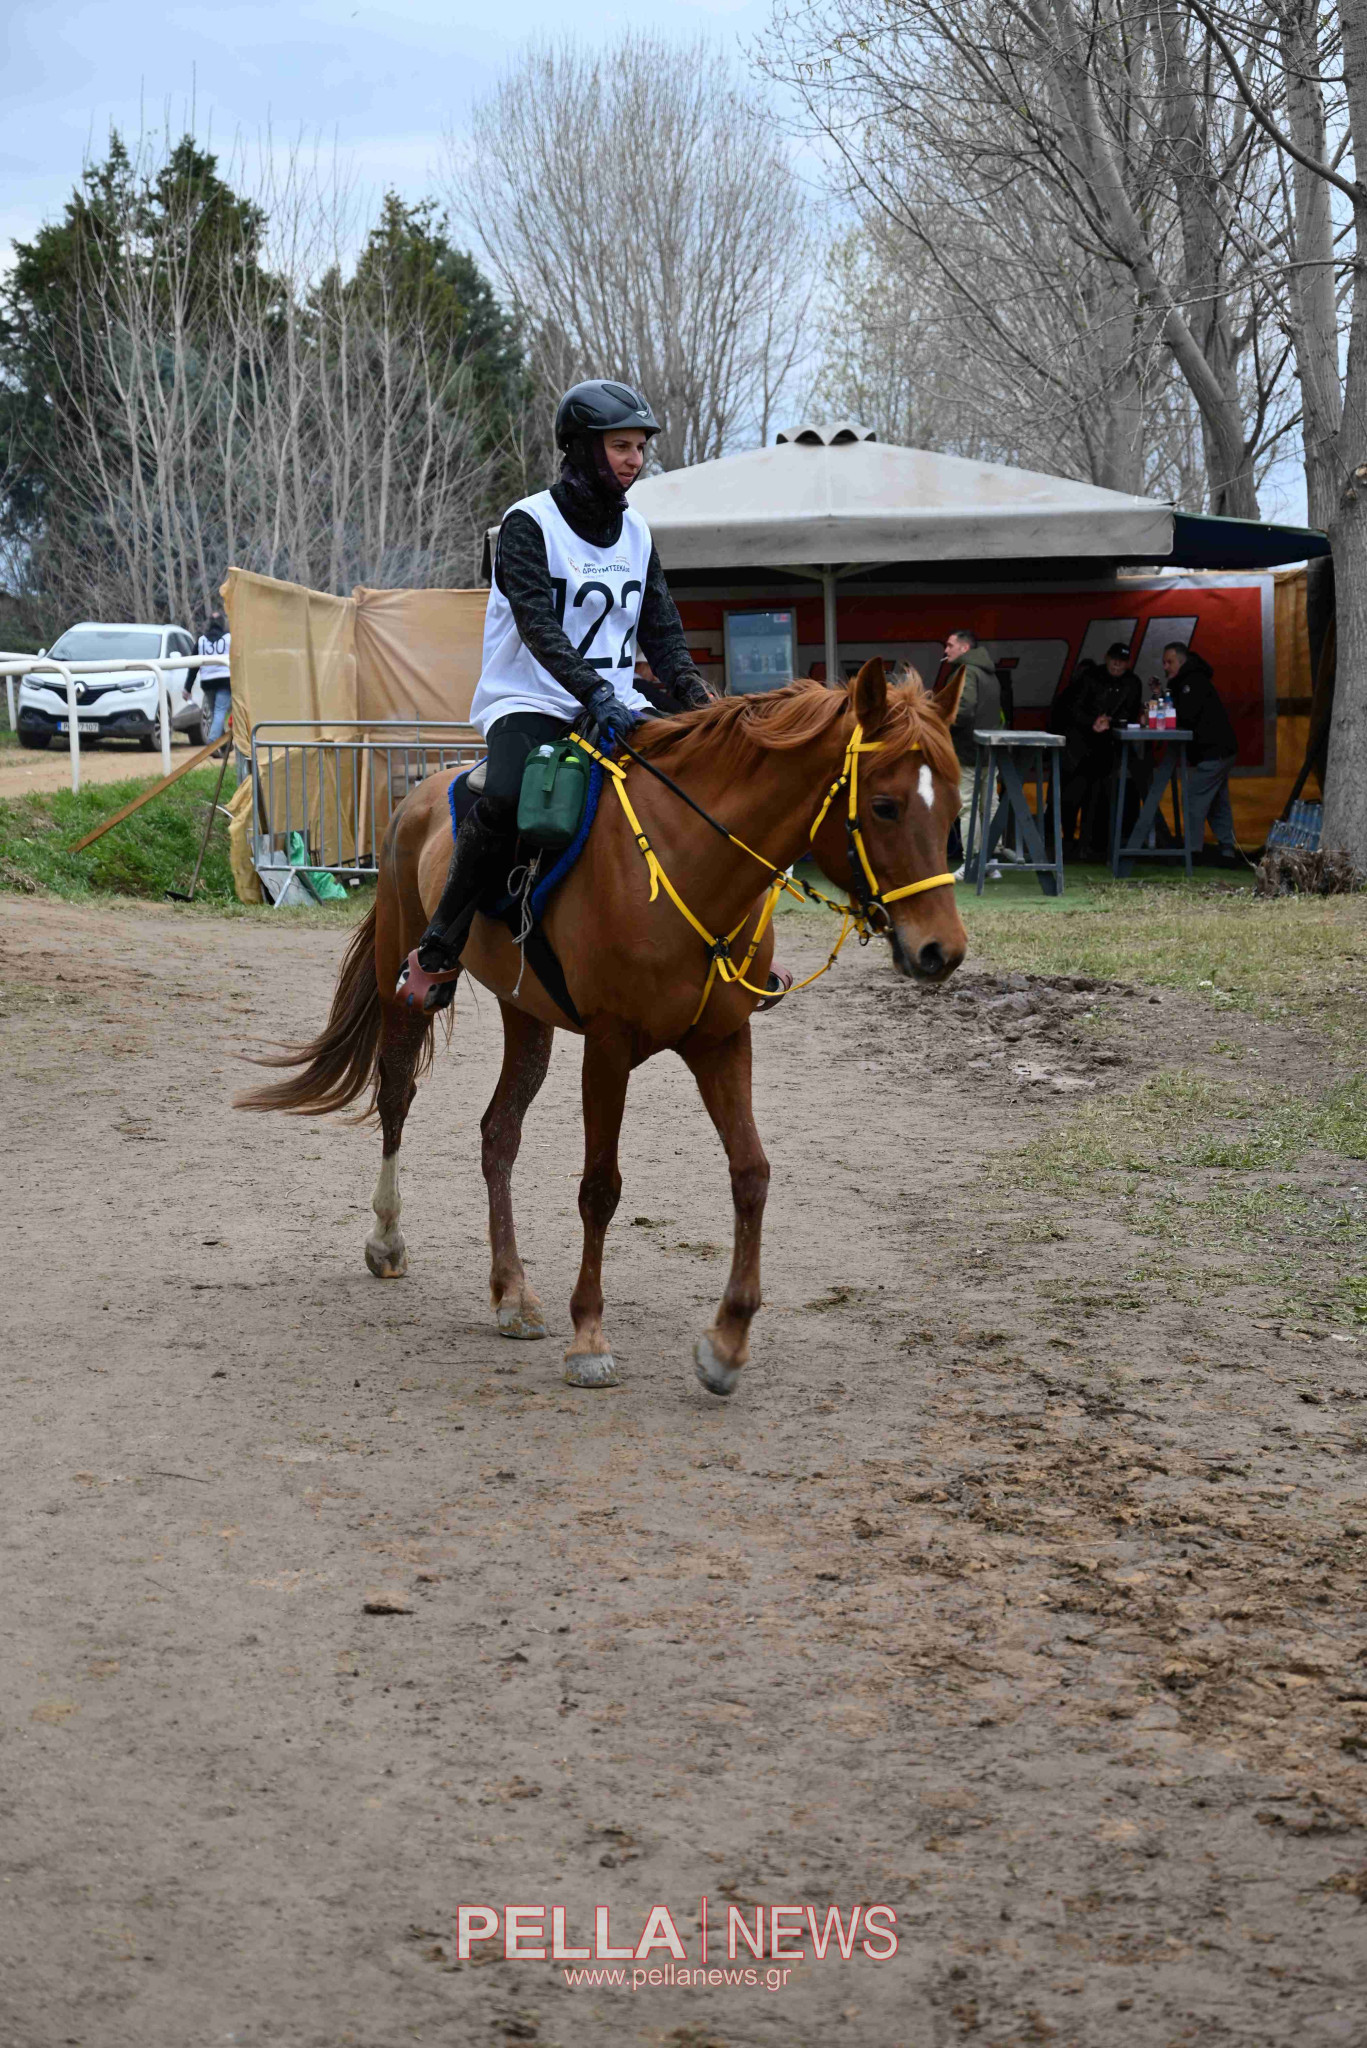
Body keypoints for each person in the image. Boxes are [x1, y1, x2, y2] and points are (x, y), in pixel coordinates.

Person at [400, 379, 786, 1014]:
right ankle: (442, 940)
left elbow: (662, 632)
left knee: (712, 779)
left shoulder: (637, 532)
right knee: (503, 792)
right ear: (581, 449)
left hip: (616, 701)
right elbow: (538, 626)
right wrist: (595, 692)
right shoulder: (527, 524)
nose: (635, 459)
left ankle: (740, 946)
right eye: (621, 446)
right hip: (530, 701)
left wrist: (699, 701)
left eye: (640, 448)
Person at [1056, 641, 1143, 858]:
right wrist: (1093, 722)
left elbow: (1131, 714)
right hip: (1079, 748)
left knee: (1100, 800)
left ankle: (1092, 845)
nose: (1116, 664)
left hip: (1108, 749)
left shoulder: (1133, 682)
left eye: (1122, 661)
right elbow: (1072, 708)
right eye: (1114, 659)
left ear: (1128, 664)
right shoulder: (1090, 676)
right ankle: (1066, 842)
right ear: (1106, 658)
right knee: (1071, 797)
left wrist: (1110, 723)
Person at [1161, 641, 1239, 865]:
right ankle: (1227, 850)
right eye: (1164, 662)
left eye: (1170, 662)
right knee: (1217, 801)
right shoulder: (1188, 680)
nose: (1166, 667)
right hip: (1220, 751)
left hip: (1215, 752)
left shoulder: (1191, 682)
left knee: (1194, 797)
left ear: (1181, 661)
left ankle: (1192, 852)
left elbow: (1186, 717)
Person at [941, 627, 1003, 880]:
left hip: (968, 752)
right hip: (991, 750)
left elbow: (962, 711)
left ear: (964, 648)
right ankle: (991, 861)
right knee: (989, 806)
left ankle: (972, 864)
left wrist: (941, 721)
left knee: (967, 807)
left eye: (949, 645)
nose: (946, 650)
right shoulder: (989, 673)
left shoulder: (965, 673)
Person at [193, 610, 232, 749]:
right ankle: (213, 741)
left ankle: (224, 745)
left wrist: (187, 687)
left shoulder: (201, 640)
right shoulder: (229, 639)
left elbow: (193, 665)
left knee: (216, 713)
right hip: (224, 681)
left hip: (207, 682)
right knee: (220, 711)